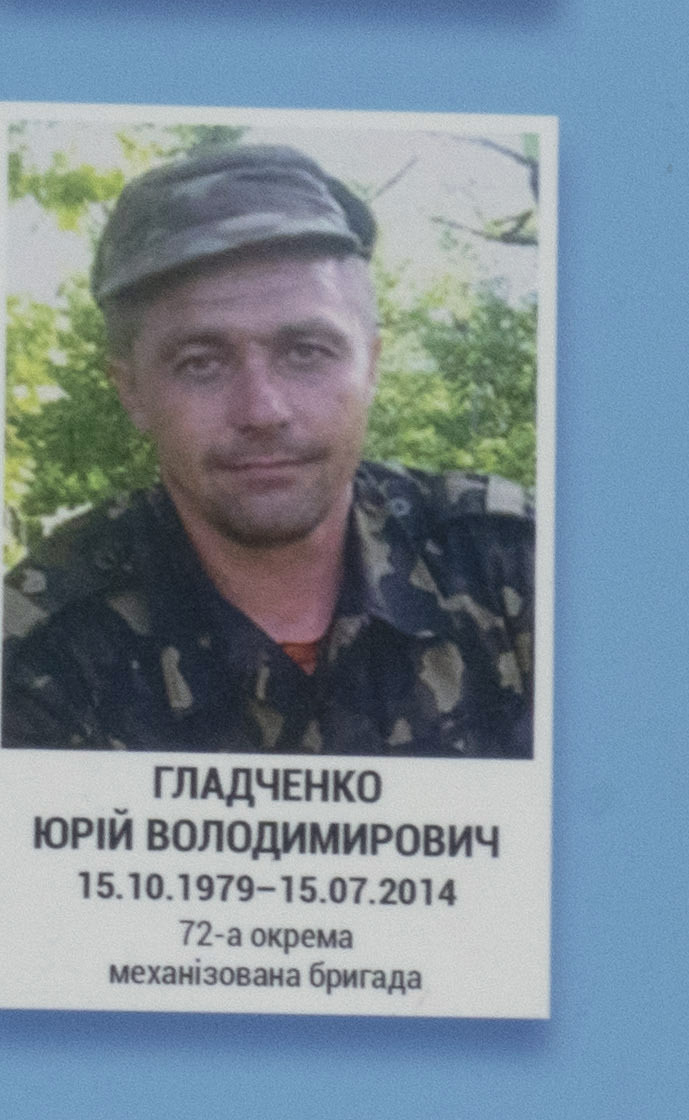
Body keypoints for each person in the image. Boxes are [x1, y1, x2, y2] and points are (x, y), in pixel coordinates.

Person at [0, 142, 526, 762]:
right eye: (200, 363)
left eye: (306, 352)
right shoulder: (39, 647)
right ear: (132, 392)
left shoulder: (513, 565)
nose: (262, 411)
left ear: (371, 367)